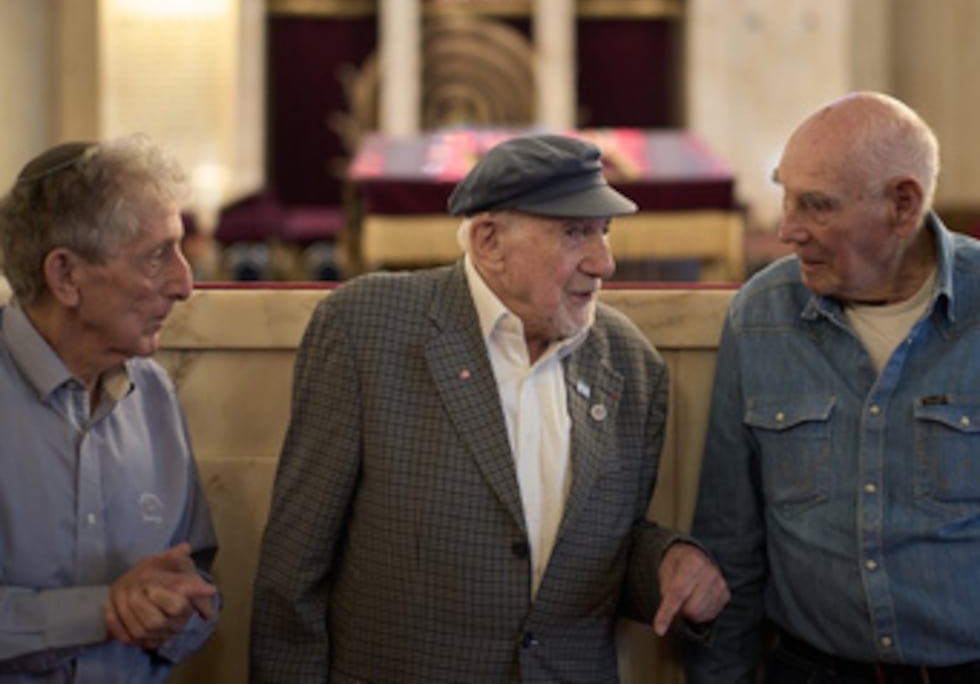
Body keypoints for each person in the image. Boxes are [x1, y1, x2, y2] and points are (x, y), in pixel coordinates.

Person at [250, 133, 729, 683]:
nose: (605, 263)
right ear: (489, 241)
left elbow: (598, 552)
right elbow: (293, 575)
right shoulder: (366, 330)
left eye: (604, 232)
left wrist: (667, 564)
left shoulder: (633, 366)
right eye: (574, 232)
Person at [684, 91, 980, 683]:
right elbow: (728, 546)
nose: (787, 230)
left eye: (816, 206)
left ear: (903, 205)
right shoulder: (760, 316)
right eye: (784, 196)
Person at [0, 136, 220, 682]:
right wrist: (101, 612)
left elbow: (200, 579)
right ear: (65, 276)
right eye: (156, 256)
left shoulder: (156, 397)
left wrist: (173, 608)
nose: (184, 284)